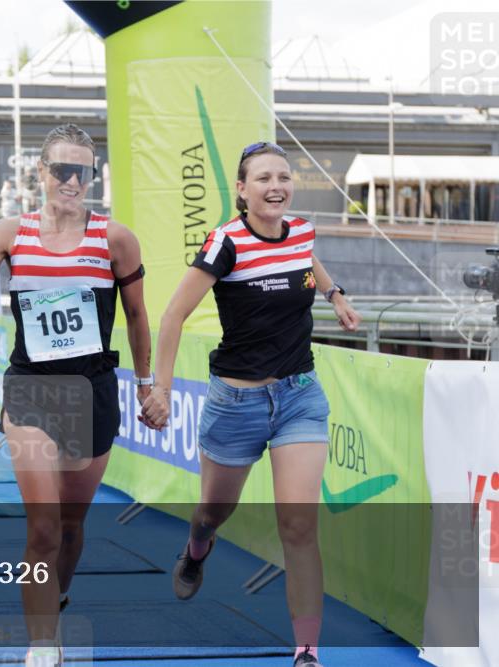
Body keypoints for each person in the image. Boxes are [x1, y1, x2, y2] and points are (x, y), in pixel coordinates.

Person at [140, 142, 362, 667]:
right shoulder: (226, 242)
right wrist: (162, 390)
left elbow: (305, 258)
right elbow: (171, 317)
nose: (275, 186)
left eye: (283, 176)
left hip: (299, 397)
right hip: (235, 402)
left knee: (299, 526)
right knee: (214, 512)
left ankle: (306, 653)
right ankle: (196, 549)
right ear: (242, 190)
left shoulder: (301, 229)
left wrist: (335, 295)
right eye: (262, 178)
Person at [0, 124, 152, 667]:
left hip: (92, 390)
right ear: (39, 172)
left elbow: (136, 317)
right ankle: (43, 644)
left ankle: (54, 603)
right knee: (42, 524)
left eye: (81, 171)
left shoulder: (115, 239)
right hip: (31, 389)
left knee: (70, 525)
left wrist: (149, 384)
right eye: (61, 169)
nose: (71, 180)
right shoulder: (11, 234)